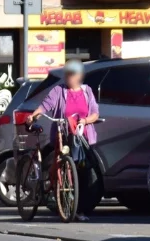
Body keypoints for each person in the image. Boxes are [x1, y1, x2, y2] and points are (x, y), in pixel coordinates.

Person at [25, 61, 100, 216]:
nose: (69, 78)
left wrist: (85, 120)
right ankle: (58, 196)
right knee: (62, 165)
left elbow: (95, 113)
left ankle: (80, 209)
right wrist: (33, 116)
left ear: (79, 76)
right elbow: (45, 106)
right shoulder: (59, 91)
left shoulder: (87, 91)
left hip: (83, 138)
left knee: (83, 174)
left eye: (72, 74)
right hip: (64, 135)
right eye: (67, 75)